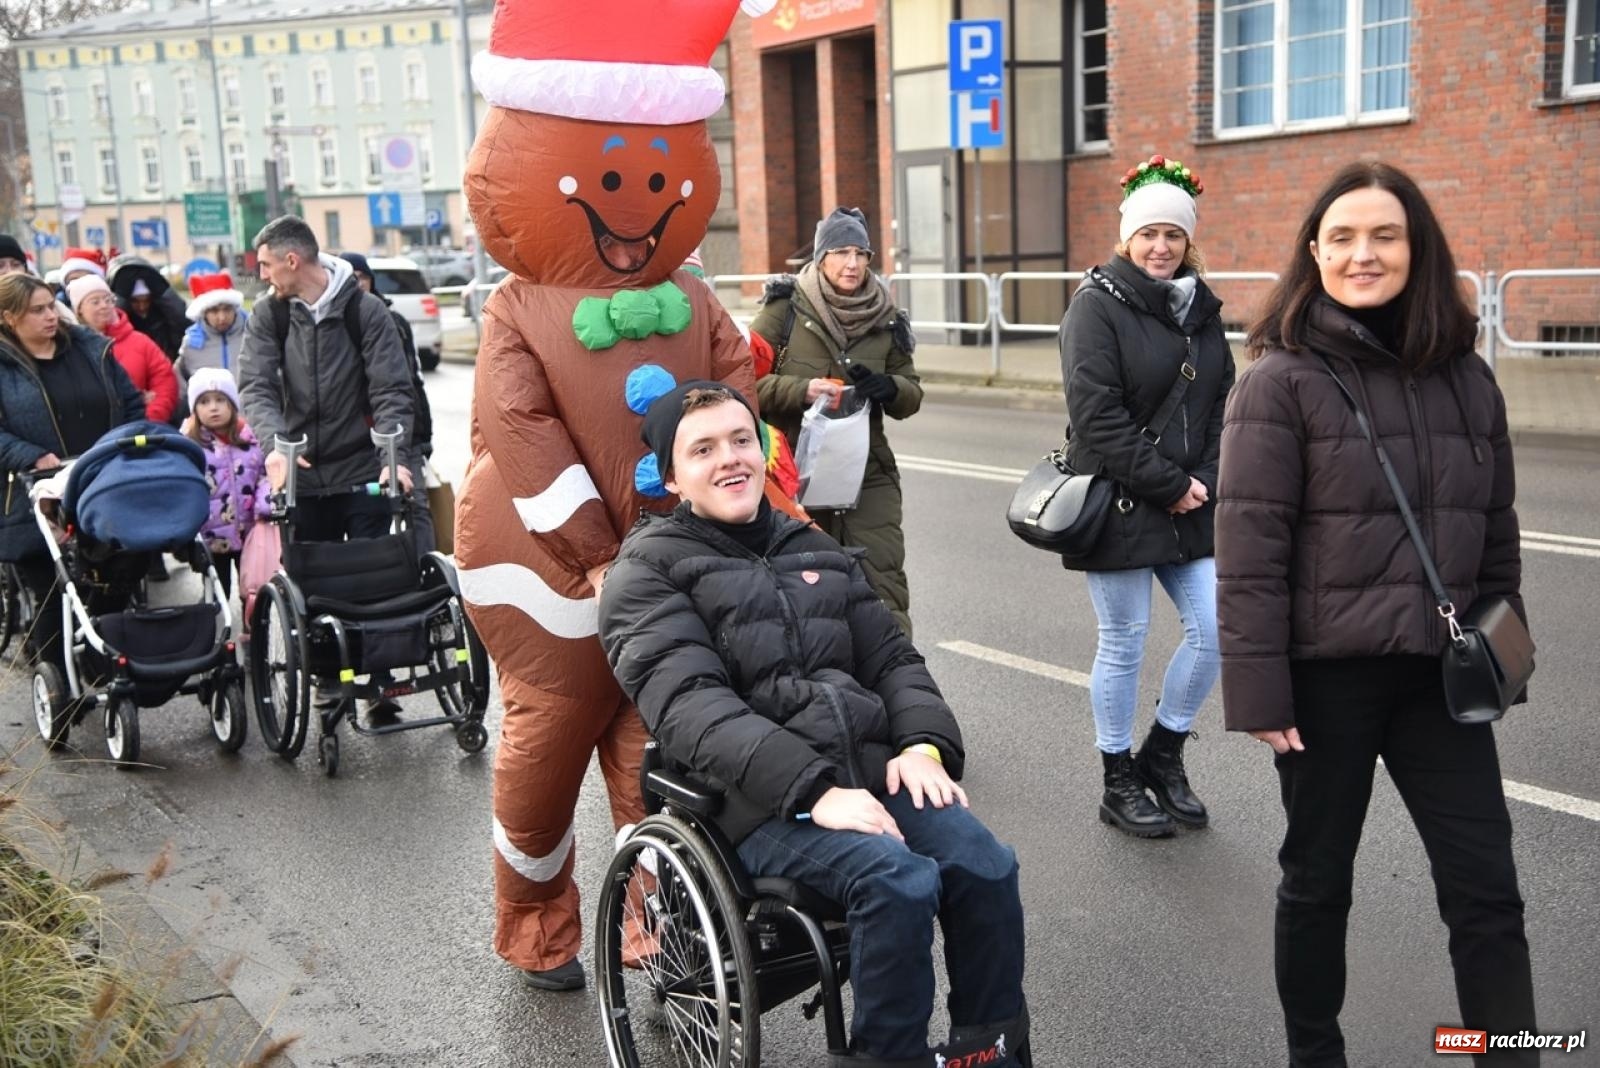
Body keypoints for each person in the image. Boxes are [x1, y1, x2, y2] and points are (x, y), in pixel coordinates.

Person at [452, 0, 760, 993]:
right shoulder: (517, 309)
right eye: (612, 177)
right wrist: (592, 550)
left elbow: (736, 408)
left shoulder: (699, 300)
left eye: (660, 178)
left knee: (660, 751)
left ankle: (656, 923)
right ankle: (536, 923)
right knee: (547, 745)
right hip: (547, 577)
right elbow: (521, 432)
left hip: (669, 567)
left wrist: (731, 513)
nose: (637, 204)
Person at [600, 381, 1028, 1066]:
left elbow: (892, 659)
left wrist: (921, 745)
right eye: (703, 449)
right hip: (757, 801)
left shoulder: (813, 544)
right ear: (673, 477)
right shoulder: (647, 573)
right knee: (898, 881)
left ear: (764, 446)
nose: (730, 459)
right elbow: (692, 711)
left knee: (985, 865)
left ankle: (989, 1049)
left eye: (742, 439)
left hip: (867, 769)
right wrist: (815, 792)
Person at [1216, 161, 1537, 1067]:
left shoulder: (1467, 376)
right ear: (1314, 253)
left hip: (1440, 678)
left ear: (1417, 248)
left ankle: (1512, 1053)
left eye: (1385, 236)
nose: (1365, 254)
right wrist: (1260, 692)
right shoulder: (1280, 382)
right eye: (1343, 237)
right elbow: (1249, 550)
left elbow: (1495, 530)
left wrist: (1504, 644)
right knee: (1319, 885)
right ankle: (1315, 1054)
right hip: (1325, 683)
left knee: (1487, 891)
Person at [1056, 155, 1234, 838]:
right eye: (1148, 233)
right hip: (1126, 503)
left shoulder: (1202, 311)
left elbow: (1223, 403)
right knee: (1125, 641)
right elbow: (1096, 418)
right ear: (1126, 237)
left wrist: (1209, 482)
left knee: (1216, 629)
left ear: (1190, 241)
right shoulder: (1094, 308)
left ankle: (1163, 754)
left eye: (1174, 234)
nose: (1161, 247)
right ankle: (1116, 778)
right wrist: (1173, 484)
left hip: (1190, 502)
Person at [750, 207, 922, 636]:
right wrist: (800, 390)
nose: (852, 263)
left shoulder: (886, 319)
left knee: (883, 586)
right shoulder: (784, 310)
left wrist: (889, 388)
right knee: (807, 592)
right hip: (793, 476)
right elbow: (740, 383)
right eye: (841, 252)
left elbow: (911, 393)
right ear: (821, 256)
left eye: (861, 253)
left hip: (866, 475)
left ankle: (897, 685)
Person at [237, 215, 415, 544]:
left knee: (371, 578)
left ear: (291, 261)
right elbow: (256, 385)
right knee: (315, 584)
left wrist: (395, 459)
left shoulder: (366, 311)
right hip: (300, 476)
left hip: (363, 471)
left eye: (265, 265)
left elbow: (390, 389)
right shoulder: (269, 314)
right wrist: (275, 446)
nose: (261, 275)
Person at [0, 273, 144, 673]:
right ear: (10, 318)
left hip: (103, 483)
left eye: (52, 306)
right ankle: (58, 684)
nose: (51, 316)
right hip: (35, 495)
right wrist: (29, 454)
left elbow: (131, 403)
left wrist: (128, 443)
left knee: (117, 576)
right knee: (52, 590)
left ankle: (101, 664)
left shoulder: (90, 349)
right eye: (38, 310)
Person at [339, 251, 437, 554]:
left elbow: (411, 382)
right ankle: (382, 571)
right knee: (374, 507)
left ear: (370, 280)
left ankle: (426, 571)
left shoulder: (394, 321)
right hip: (363, 435)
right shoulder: (340, 325)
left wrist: (423, 435)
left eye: (361, 278)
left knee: (415, 504)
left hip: (406, 432)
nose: (356, 285)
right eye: (349, 280)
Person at [181, 367, 271, 599]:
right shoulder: (190, 447)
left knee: (252, 588)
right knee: (216, 591)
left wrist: (265, 503)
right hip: (212, 535)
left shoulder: (251, 440)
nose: (213, 407)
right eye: (204, 402)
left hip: (249, 532)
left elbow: (264, 475)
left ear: (232, 404)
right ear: (194, 409)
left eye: (221, 400)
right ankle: (215, 631)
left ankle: (252, 633)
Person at [68, 274, 179, 424]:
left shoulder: (140, 341)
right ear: (79, 309)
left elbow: (165, 382)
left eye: (108, 300)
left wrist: (148, 420)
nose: (103, 305)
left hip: (141, 430)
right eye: (95, 302)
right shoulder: (70, 347)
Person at [178, 272, 250, 397]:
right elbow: (179, 382)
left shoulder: (253, 334)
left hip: (251, 412)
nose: (221, 317)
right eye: (214, 311)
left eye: (227, 309)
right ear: (204, 312)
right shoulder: (192, 343)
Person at [108, 254, 189, 360]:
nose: (142, 307)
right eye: (135, 301)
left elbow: (182, 319)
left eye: (147, 300)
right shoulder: (121, 326)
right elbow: (109, 324)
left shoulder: (166, 319)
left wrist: (162, 289)